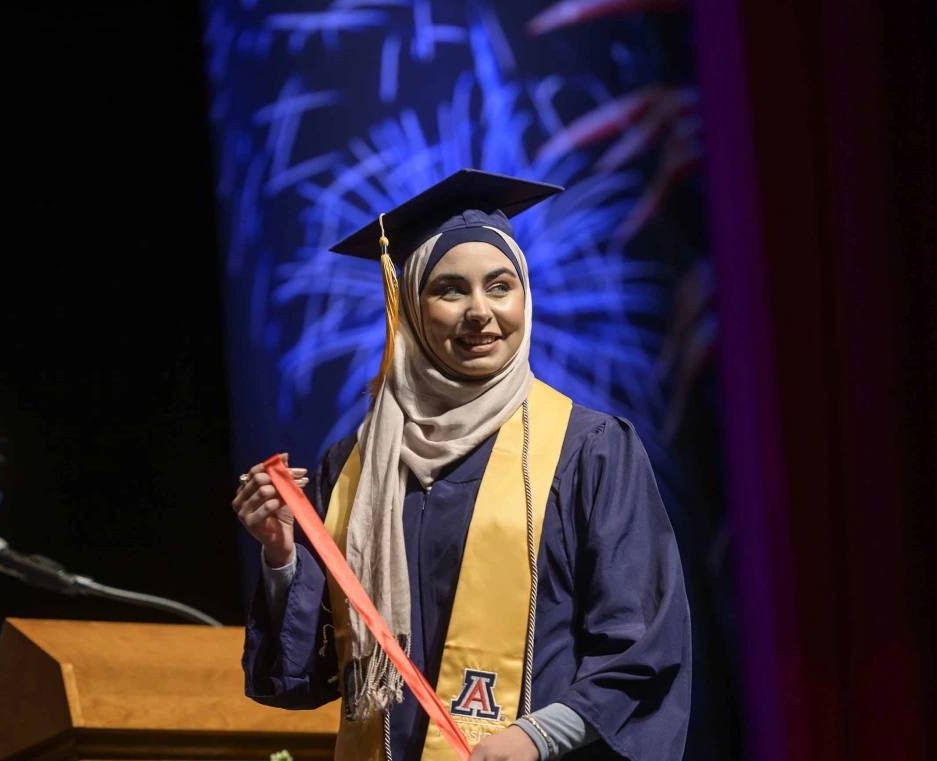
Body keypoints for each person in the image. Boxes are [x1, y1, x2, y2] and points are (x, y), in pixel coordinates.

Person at [233, 169, 690, 760]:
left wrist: (539, 735)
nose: (481, 311)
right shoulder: (354, 466)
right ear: (411, 309)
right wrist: (281, 555)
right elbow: (311, 676)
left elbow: (643, 645)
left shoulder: (589, 449)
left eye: (500, 286)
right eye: (450, 290)